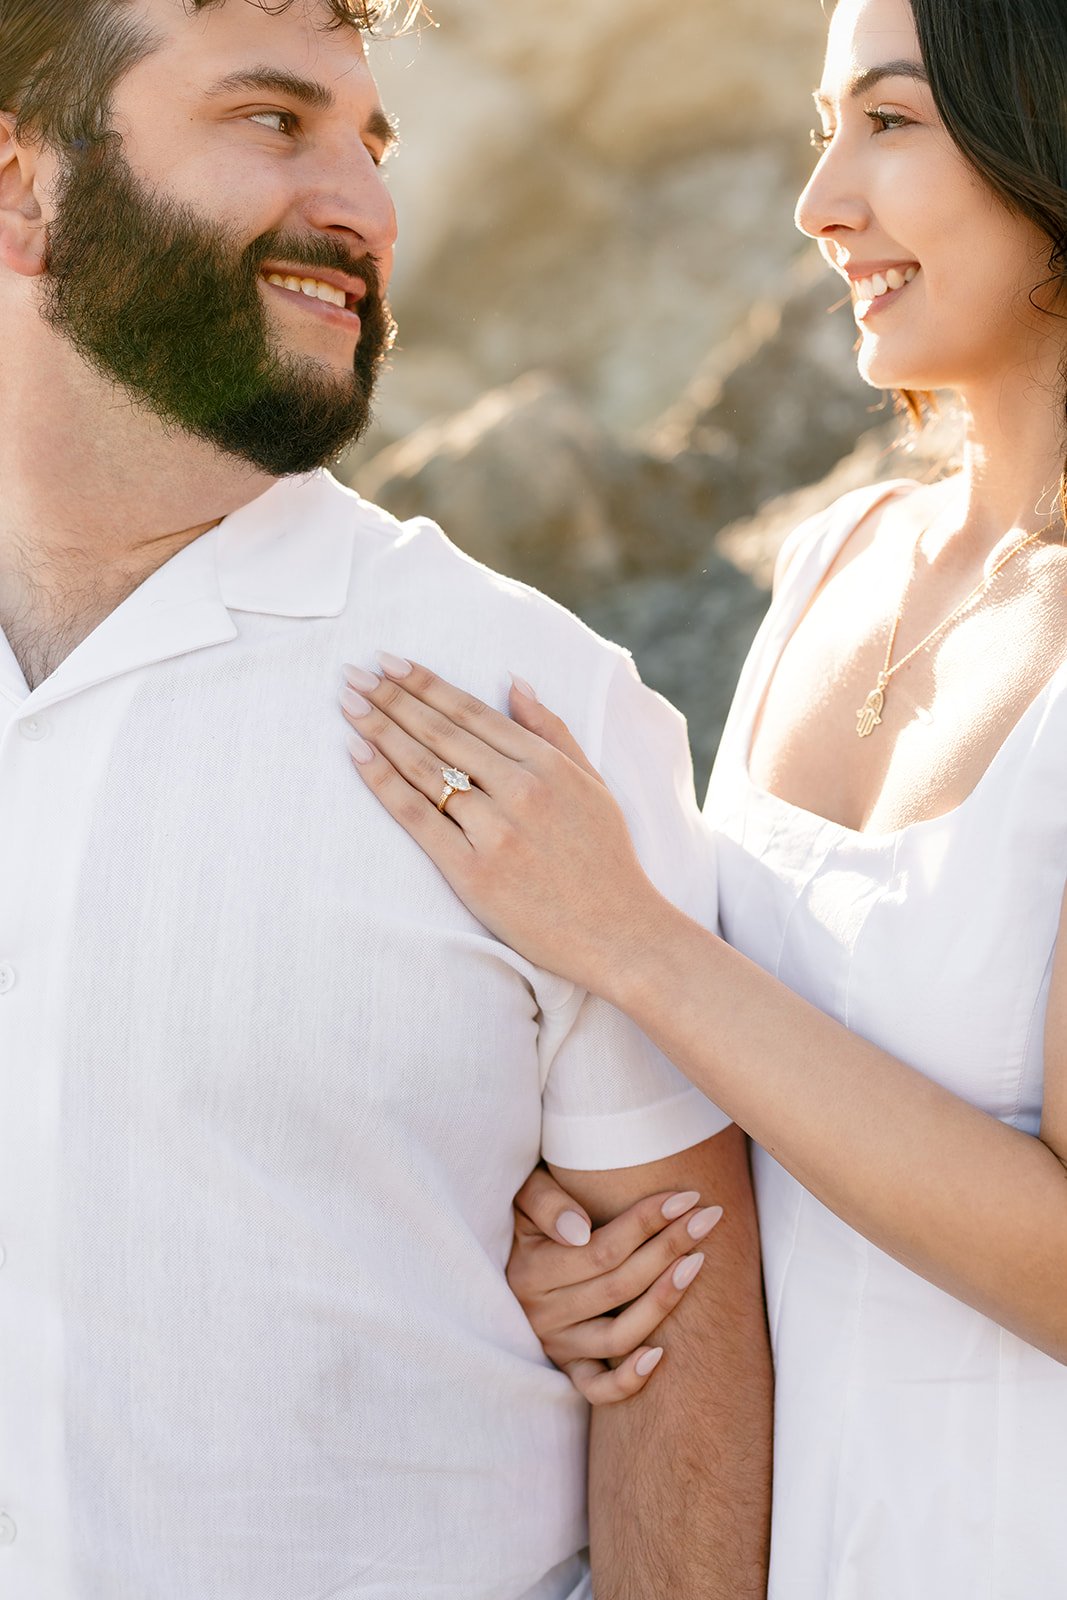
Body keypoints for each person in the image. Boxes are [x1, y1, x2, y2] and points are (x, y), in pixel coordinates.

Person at [0, 2, 774, 1596]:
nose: (364, 205)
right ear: (25, 191)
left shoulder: (530, 708)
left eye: (373, 142)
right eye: (272, 121)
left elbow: (686, 1342)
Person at [338, 0, 1067, 1594]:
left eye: (891, 122)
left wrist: (628, 939)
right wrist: (575, 1246)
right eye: (821, 132)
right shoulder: (832, 563)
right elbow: (737, 1118)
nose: (819, 205)